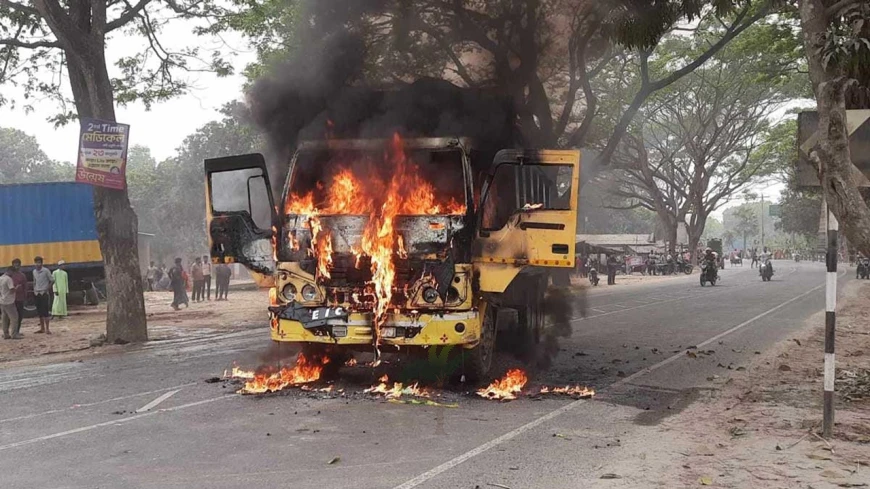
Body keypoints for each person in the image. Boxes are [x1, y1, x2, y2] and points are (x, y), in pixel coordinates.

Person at [32, 256, 54, 334]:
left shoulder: (46, 271)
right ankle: (42, 328)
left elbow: (52, 280)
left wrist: (47, 289)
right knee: (39, 312)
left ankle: (47, 329)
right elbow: (34, 281)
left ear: (41, 263)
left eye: (39, 262)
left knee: (45, 311)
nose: (37, 264)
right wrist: (34, 289)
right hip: (37, 293)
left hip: (43, 293)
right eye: (36, 262)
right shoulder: (34, 271)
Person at [1, 266, 22, 339]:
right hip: (9, 301)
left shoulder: (1, 278)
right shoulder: (8, 279)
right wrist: (17, 287)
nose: (13, 274)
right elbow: (11, 290)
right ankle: (14, 334)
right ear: (10, 271)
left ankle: (5, 334)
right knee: (14, 318)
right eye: (13, 272)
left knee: (4, 318)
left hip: (2, 300)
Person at [9, 259, 27, 335]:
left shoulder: (22, 275)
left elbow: (25, 287)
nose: (16, 266)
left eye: (18, 265)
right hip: (11, 299)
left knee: (20, 316)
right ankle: (11, 332)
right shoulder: (10, 275)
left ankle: (17, 331)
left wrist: (25, 297)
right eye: (15, 265)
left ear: (20, 266)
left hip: (20, 298)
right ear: (12, 265)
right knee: (12, 317)